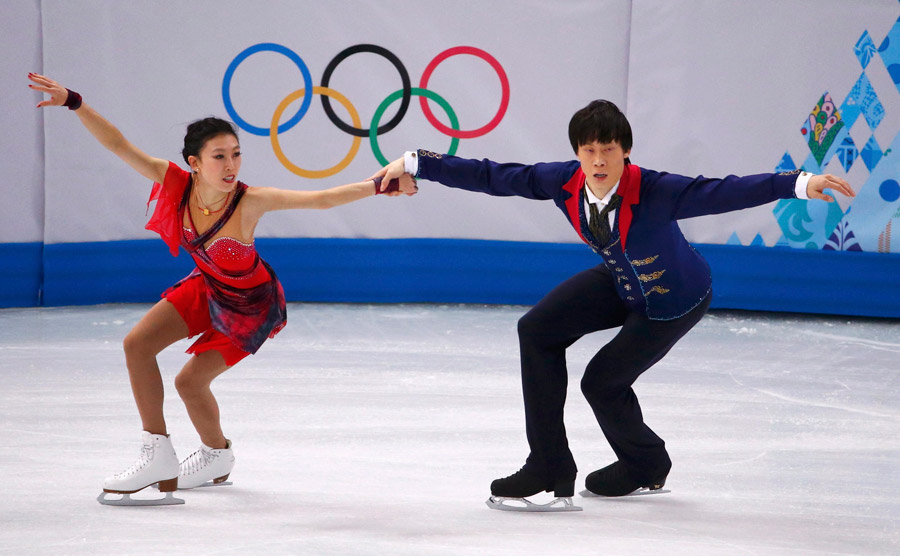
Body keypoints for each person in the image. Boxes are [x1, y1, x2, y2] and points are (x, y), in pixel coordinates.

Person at [376, 99, 854, 511]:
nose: (599, 160)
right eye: (590, 150)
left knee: (602, 382)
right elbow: (494, 176)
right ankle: (547, 464)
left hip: (674, 298)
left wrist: (798, 183)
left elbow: (725, 190)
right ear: (578, 153)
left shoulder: (657, 190)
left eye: (609, 149)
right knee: (537, 330)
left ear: (626, 150)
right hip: (621, 280)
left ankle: (646, 462)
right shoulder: (564, 181)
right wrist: (417, 162)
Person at [28, 72, 417, 505]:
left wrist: (379, 185)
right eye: (218, 157)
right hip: (207, 286)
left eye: (235, 154)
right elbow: (119, 145)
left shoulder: (250, 201)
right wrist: (74, 102)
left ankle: (216, 455)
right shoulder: (175, 184)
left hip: (250, 306)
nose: (230, 165)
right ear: (194, 163)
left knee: (190, 383)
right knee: (137, 344)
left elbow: (320, 199)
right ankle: (157, 453)